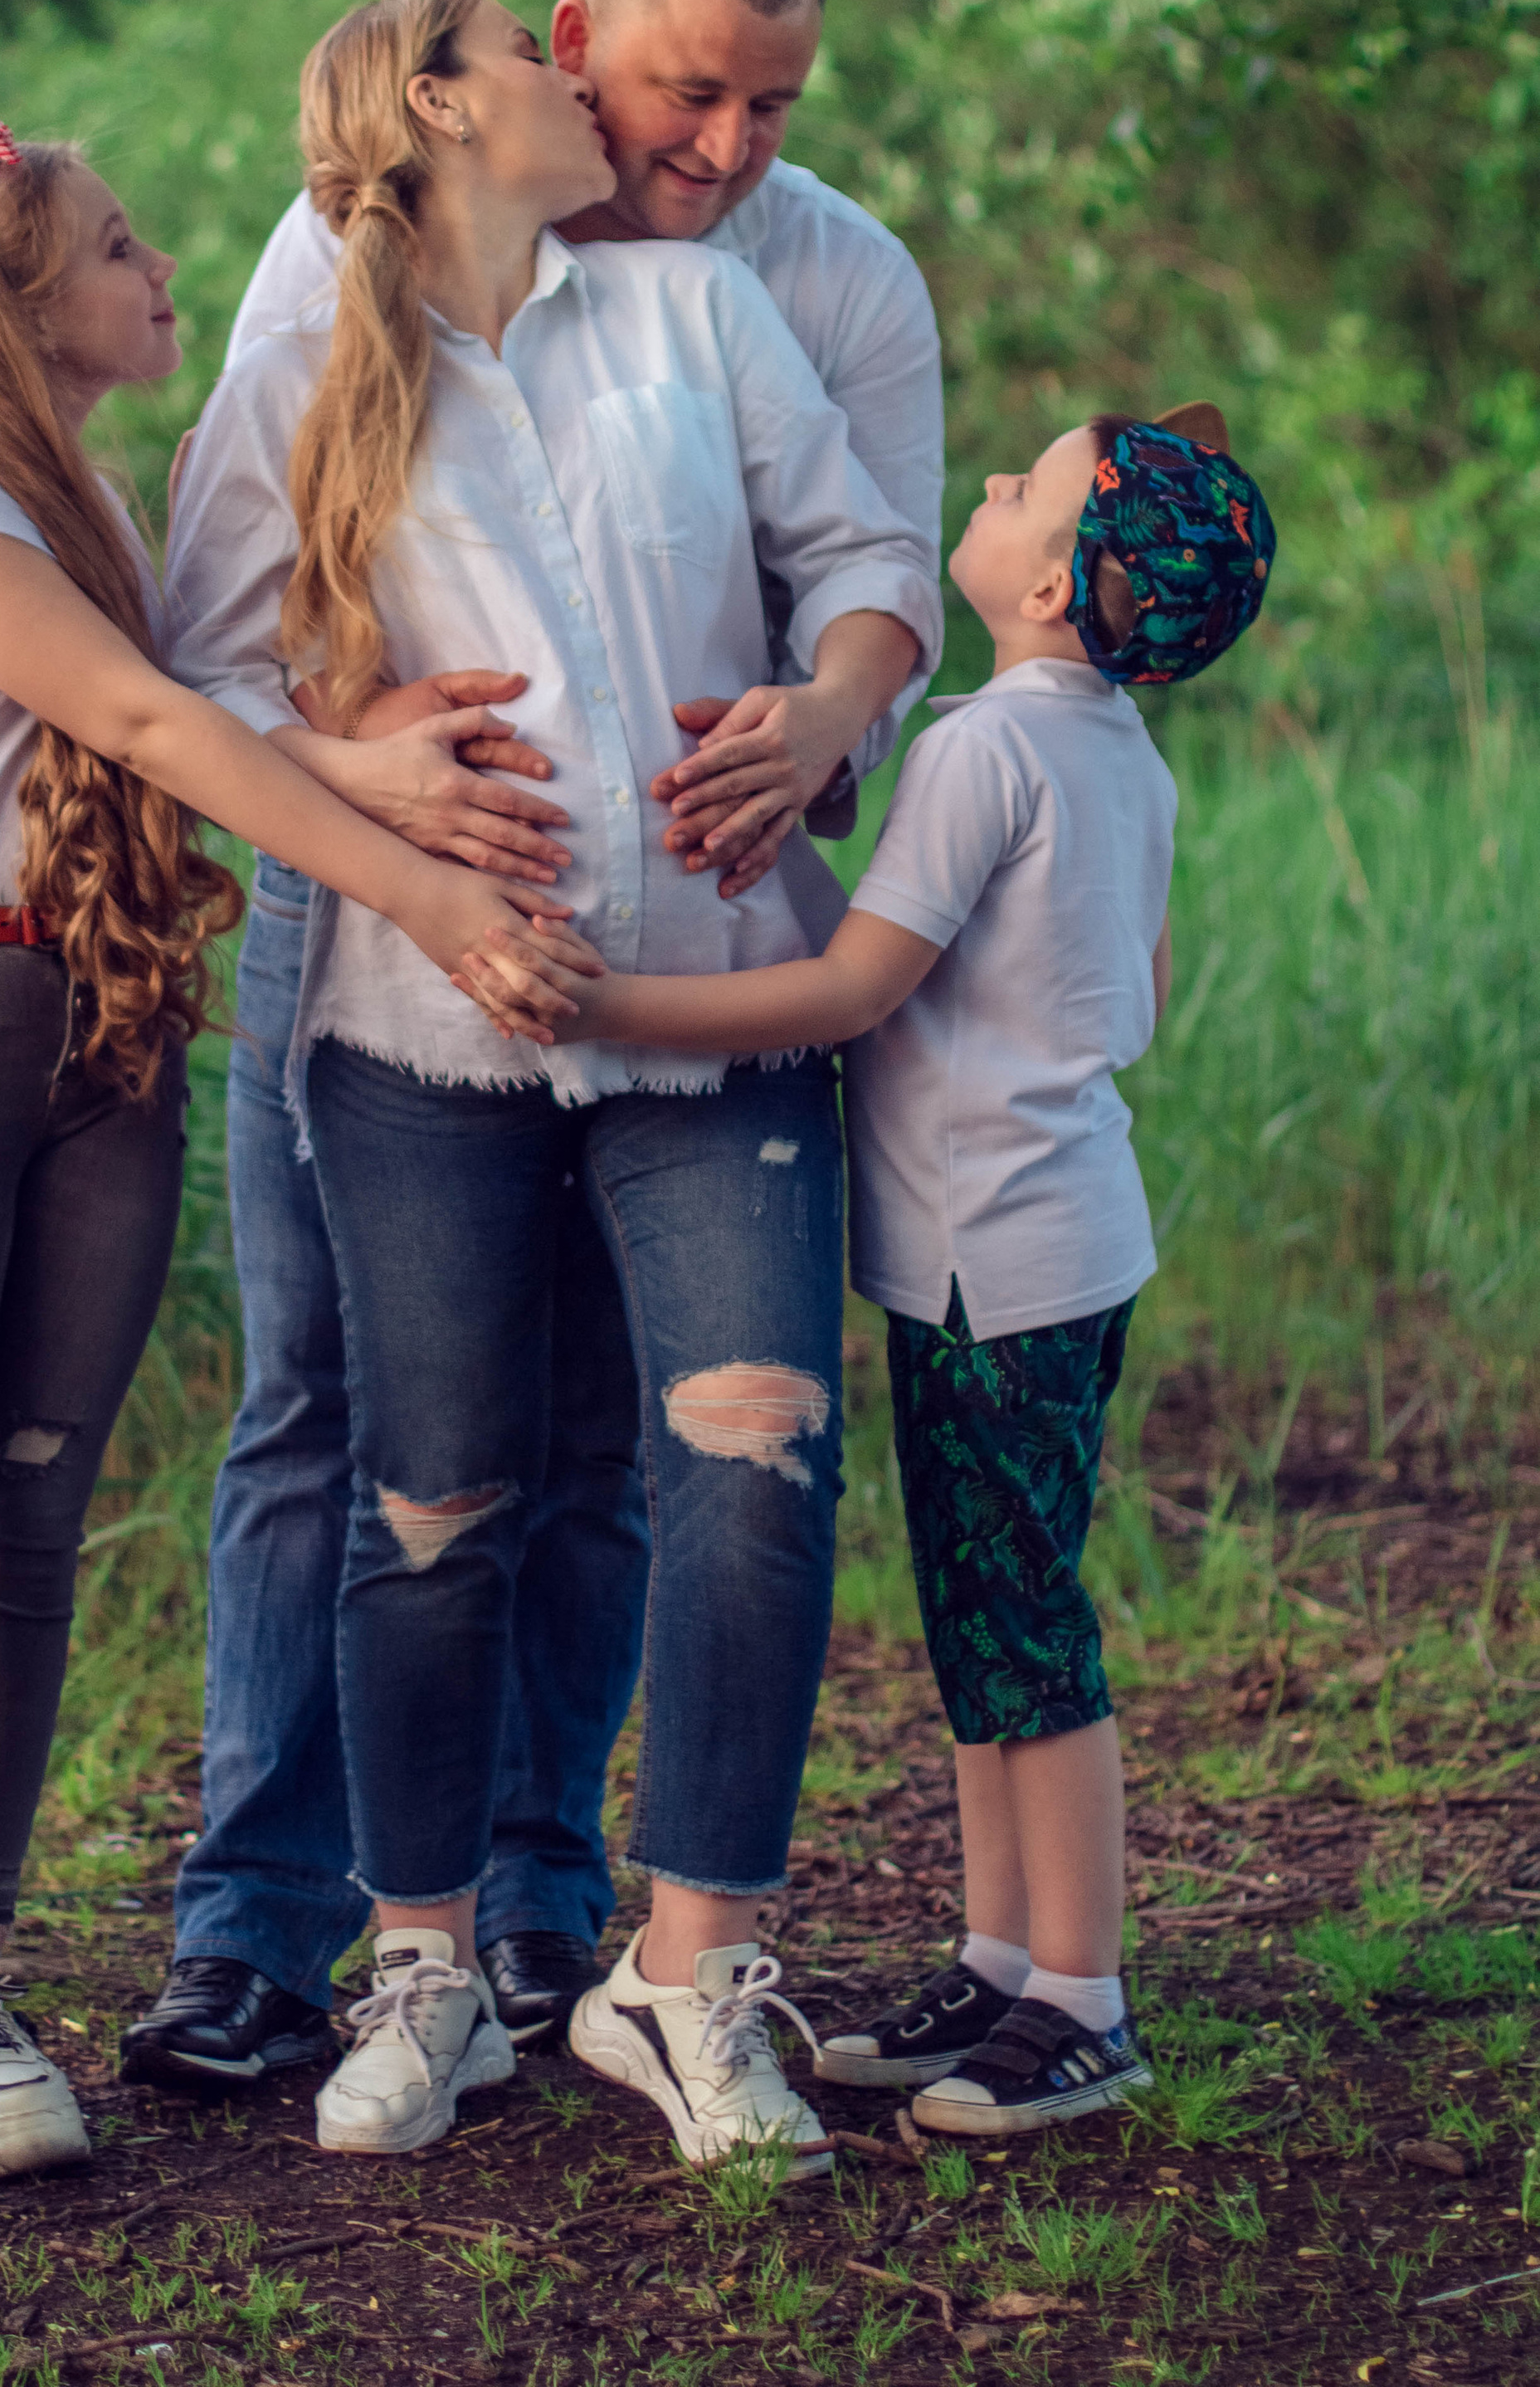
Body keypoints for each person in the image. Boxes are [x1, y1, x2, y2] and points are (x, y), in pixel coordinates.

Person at [0, 100, 571, 2257]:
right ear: (16, 301)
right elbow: (157, 735)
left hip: (103, 1026)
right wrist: (423, 886)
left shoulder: (88, 503)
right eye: (128, 252)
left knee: (27, 1520)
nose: (167, 277)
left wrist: (381, 741)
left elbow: (200, 707)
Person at [134, 0, 943, 2093]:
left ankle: (572, 1920)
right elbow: (205, 661)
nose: (736, 145)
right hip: (389, 955)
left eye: (779, 101)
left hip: (699, 977)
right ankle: (283, 1931)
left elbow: (878, 575)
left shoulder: (785, 288)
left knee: (662, 1453)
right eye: (697, 89)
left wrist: (820, 715)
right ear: (566, 55)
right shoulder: (343, 273)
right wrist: (379, 794)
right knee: (366, 1433)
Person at [466, 404, 1275, 2138]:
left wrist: (603, 1006)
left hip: (999, 1262)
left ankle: (1079, 1997)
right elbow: (1109, 983)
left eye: (1023, 486)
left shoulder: (986, 750)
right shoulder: (1118, 752)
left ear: (1055, 579)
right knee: (990, 1626)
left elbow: (844, 992)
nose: (985, 486)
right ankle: (1000, 1962)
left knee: (1024, 1639)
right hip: (1043, 1238)